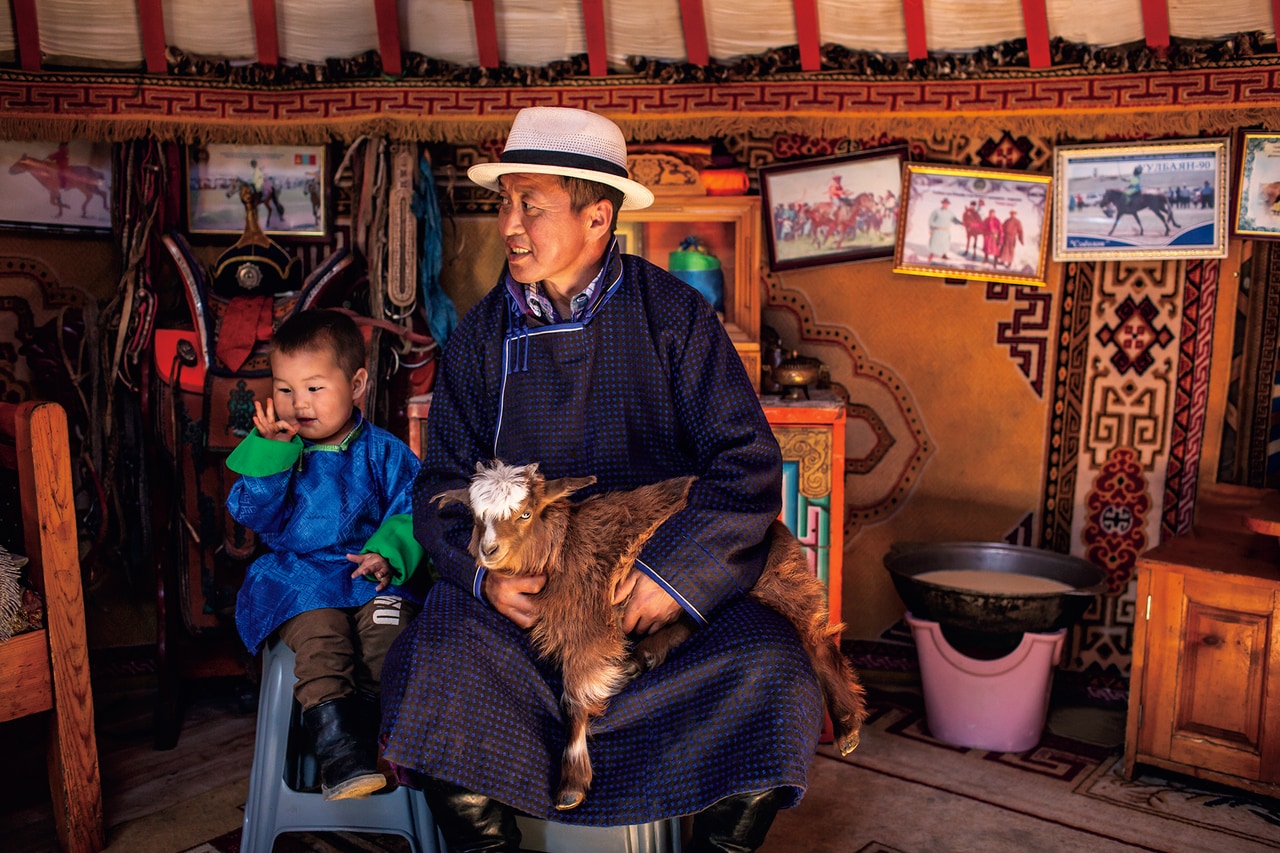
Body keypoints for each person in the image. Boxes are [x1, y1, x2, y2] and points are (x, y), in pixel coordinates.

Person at [380, 106, 824, 852]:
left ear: (597, 217)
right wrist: (484, 580)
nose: (508, 224)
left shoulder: (675, 316)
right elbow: (440, 487)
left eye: (531, 204)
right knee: (435, 661)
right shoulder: (479, 341)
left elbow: (745, 463)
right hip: (527, 616)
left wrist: (673, 576)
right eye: (505, 202)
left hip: (660, 609)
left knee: (774, 666)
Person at [226, 309, 425, 802]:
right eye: (284, 389)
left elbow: (415, 508)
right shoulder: (280, 451)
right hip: (300, 581)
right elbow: (253, 514)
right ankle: (339, 756)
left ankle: (380, 743)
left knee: (389, 635)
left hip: (371, 574)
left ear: (356, 384)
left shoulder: (385, 453)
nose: (298, 404)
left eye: (314, 388)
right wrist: (271, 459)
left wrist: (386, 553)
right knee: (323, 640)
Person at [927, 197, 961, 262]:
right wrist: (930, 230)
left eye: (947, 203)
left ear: (948, 204)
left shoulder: (950, 212)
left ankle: (944, 255)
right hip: (937, 231)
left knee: (945, 243)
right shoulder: (936, 211)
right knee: (935, 243)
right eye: (944, 203)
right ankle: (931, 255)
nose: (945, 204)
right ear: (942, 203)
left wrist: (961, 223)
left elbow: (954, 219)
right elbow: (931, 220)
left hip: (946, 231)